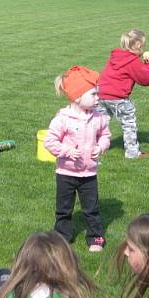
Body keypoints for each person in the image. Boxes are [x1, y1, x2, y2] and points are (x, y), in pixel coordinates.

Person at [44, 66, 111, 253]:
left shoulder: (98, 118)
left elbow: (105, 135)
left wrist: (101, 146)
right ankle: (61, 237)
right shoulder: (62, 118)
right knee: (64, 209)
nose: (98, 97)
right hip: (66, 173)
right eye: (94, 94)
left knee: (92, 208)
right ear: (78, 96)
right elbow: (50, 142)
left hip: (89, 173)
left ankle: (95, 238)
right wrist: (66, 151)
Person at [97, 29, 149, 159]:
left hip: (100, 94)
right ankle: (132, 153)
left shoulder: (115, 56)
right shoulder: (133, 61)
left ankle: (94, 148)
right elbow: (146, 80)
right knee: (129, 124)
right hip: (119, 98)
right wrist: (148, 63)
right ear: (139, 45)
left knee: (100, 123)